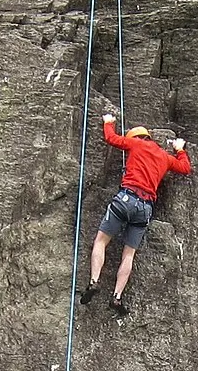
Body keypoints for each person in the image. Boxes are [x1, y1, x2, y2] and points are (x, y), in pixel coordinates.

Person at [82, 113, 191, 315]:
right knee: (129, 254)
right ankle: (117, 296)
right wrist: (180, 150)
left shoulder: (136, 145)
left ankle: (95, 281)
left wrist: (108, 122)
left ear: (136, 138)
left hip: (126, 198)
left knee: (101, 241)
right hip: (145, 208)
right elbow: (185, 168)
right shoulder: (164, 157)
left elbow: (111, 138)